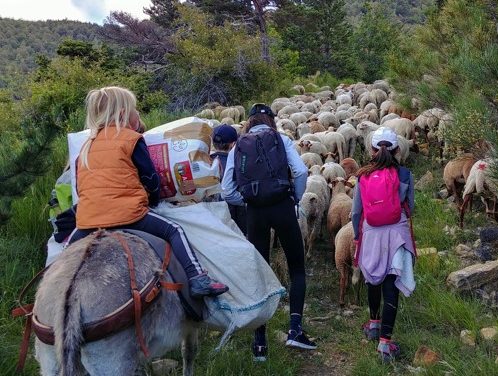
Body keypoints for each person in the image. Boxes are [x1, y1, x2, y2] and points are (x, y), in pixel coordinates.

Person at [68, 86, 228, 299]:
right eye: (135, 110)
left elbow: (81, 188)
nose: (137, 114)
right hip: (127, 216)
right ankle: (197, 278)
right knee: (174, 231)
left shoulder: (85, 147)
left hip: (88, 222)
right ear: (124, 114)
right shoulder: (130, 139)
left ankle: (48, 294)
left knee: (66, 256)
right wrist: (153, 201)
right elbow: (150, 179)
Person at [221, 103, 316, 361]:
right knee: (297, 268)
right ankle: (295, 330)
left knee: (260, 273)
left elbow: (227, 189)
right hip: (282, 207)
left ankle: (260, 342)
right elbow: (301, 171)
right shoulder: (281, 139)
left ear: (249, 121)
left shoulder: (238, 145)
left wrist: (249, 202)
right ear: (272, 120)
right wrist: (294, 198)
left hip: (256, 213)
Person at [351, 127, 416, 362]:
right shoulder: (405, 174)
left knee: (372, 279)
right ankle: (385, 344)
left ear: (371, 150)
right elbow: (411, 207)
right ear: (398, 149)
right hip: (396, 234)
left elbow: (356, 211)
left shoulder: (363, 175)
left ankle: (373, 324)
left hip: (371, 233)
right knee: (391, 285)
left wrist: (358, 236)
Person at [210, 124, 247, 235]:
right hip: (235, 217)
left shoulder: (207, 161)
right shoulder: (238, 163)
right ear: (233, 144)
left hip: (213, 216)